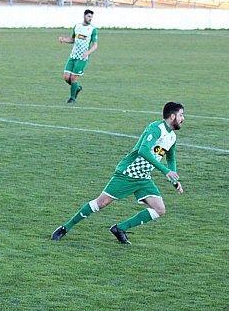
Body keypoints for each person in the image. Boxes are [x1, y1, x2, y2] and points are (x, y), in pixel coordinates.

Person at [51, 102, 185, 245]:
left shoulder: (172, 137)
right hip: (128, 172)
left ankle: (119, 229)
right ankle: (65, 228)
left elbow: (170, 157)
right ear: (172, 116)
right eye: (181, 115)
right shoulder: (156, 129)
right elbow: (143, 151)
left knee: (159, 209)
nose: (183, 118)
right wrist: (165, 170)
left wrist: (174, 180)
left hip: (143, 177)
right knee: (101, 202)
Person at [59, 9, 98, 103]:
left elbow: (95, 45)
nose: (90, 18)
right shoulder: (77, 26)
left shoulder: (93, 29)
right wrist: (64, 40)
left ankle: (72, 98)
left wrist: (87, 53)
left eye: (91, 17)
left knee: (73, 78)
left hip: (82, 57)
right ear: (84, 16)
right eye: (88, 16)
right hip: (73, 55)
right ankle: (77, 88)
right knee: (66, 77)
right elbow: (73, 39)